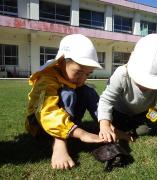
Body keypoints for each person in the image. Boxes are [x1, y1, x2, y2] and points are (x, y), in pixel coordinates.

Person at [26, 34, 104, 170]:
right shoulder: (46, 79)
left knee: (87, 90)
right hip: (40, 124)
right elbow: (46, 111)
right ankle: (59, 143)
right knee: (68, 93)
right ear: (61, 62)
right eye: (78, 72)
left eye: (87, 74)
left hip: (66, 123)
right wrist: (82, 133)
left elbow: (86, 92)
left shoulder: (73, 79)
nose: (82, 79)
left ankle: (105, 125)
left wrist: (106, 122)